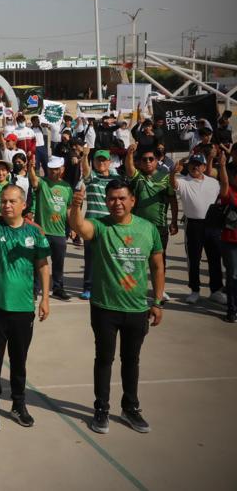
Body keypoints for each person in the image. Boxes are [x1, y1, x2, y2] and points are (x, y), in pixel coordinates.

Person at [68, 179, 165, 434]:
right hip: (104, 308)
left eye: (122, 198)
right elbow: (79, 226)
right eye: (112, 198)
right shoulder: (100, 227)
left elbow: (157, 266)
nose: (117, 203)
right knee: (104, 359)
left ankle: (130, 407)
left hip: (137, 309)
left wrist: (157, 302)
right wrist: (75, 207)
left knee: (131, 360)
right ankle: (101, 409)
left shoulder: (148, 229)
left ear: (133, 200)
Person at [0, 185, 51, 432]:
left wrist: (45, 298)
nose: (6, 205)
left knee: (19, 360)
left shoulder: (35, 233)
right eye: (3, 201)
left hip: (23, 308)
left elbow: (43, 265)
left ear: (23, 204)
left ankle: (18, 404)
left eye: (12, 201)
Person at [172, 154, 223, 305]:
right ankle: (195, 290)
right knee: (194, 259)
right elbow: (173, 184)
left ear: (203, 166)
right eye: (192, 164)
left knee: (215, 258)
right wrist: (172, 172)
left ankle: (216, 291)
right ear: (188, 166)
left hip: (213, 225)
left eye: (198, 164)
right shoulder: (183, 181)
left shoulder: (214, 183)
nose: (195, 167)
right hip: (193, 225)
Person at [28, 155, 73, 301]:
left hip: (59, 232)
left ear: (62, 169)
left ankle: (58, 288)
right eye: (51, 169)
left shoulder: (67, 187)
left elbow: (69, 209)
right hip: (42, 231)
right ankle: (35, 289)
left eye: (56, 169)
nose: (53, 172)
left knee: (58, 263)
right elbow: (33, 180)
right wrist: (31, 167)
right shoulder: (43, 182)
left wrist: (72, 227)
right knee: (38, 262)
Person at [80, 148, 117, 299]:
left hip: (110, 224)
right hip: (92, 224)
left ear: (109, 162)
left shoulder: (116, 179)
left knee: (110, 257)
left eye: (104, 160)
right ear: (94, 162)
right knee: (90, 257)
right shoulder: (91, 176)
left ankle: (108, 285)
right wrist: (85, 156)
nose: (101, 163)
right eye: (98, 160)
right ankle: (88, 287)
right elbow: (85, 170)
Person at [215, 160, 237, 322]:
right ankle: (232, 309)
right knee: (233, 275)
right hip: (230, 241)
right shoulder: (228, 192)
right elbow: (224, 182)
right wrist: (222, 166)